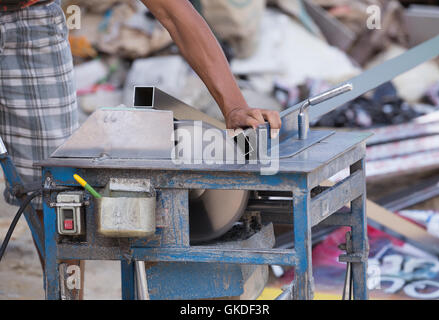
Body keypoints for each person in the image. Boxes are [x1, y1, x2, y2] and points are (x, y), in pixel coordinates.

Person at [0, 0, 281, 298]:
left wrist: (234, 104)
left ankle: (65, 295)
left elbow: (173, 12)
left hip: (30, 21)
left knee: (58, 191)